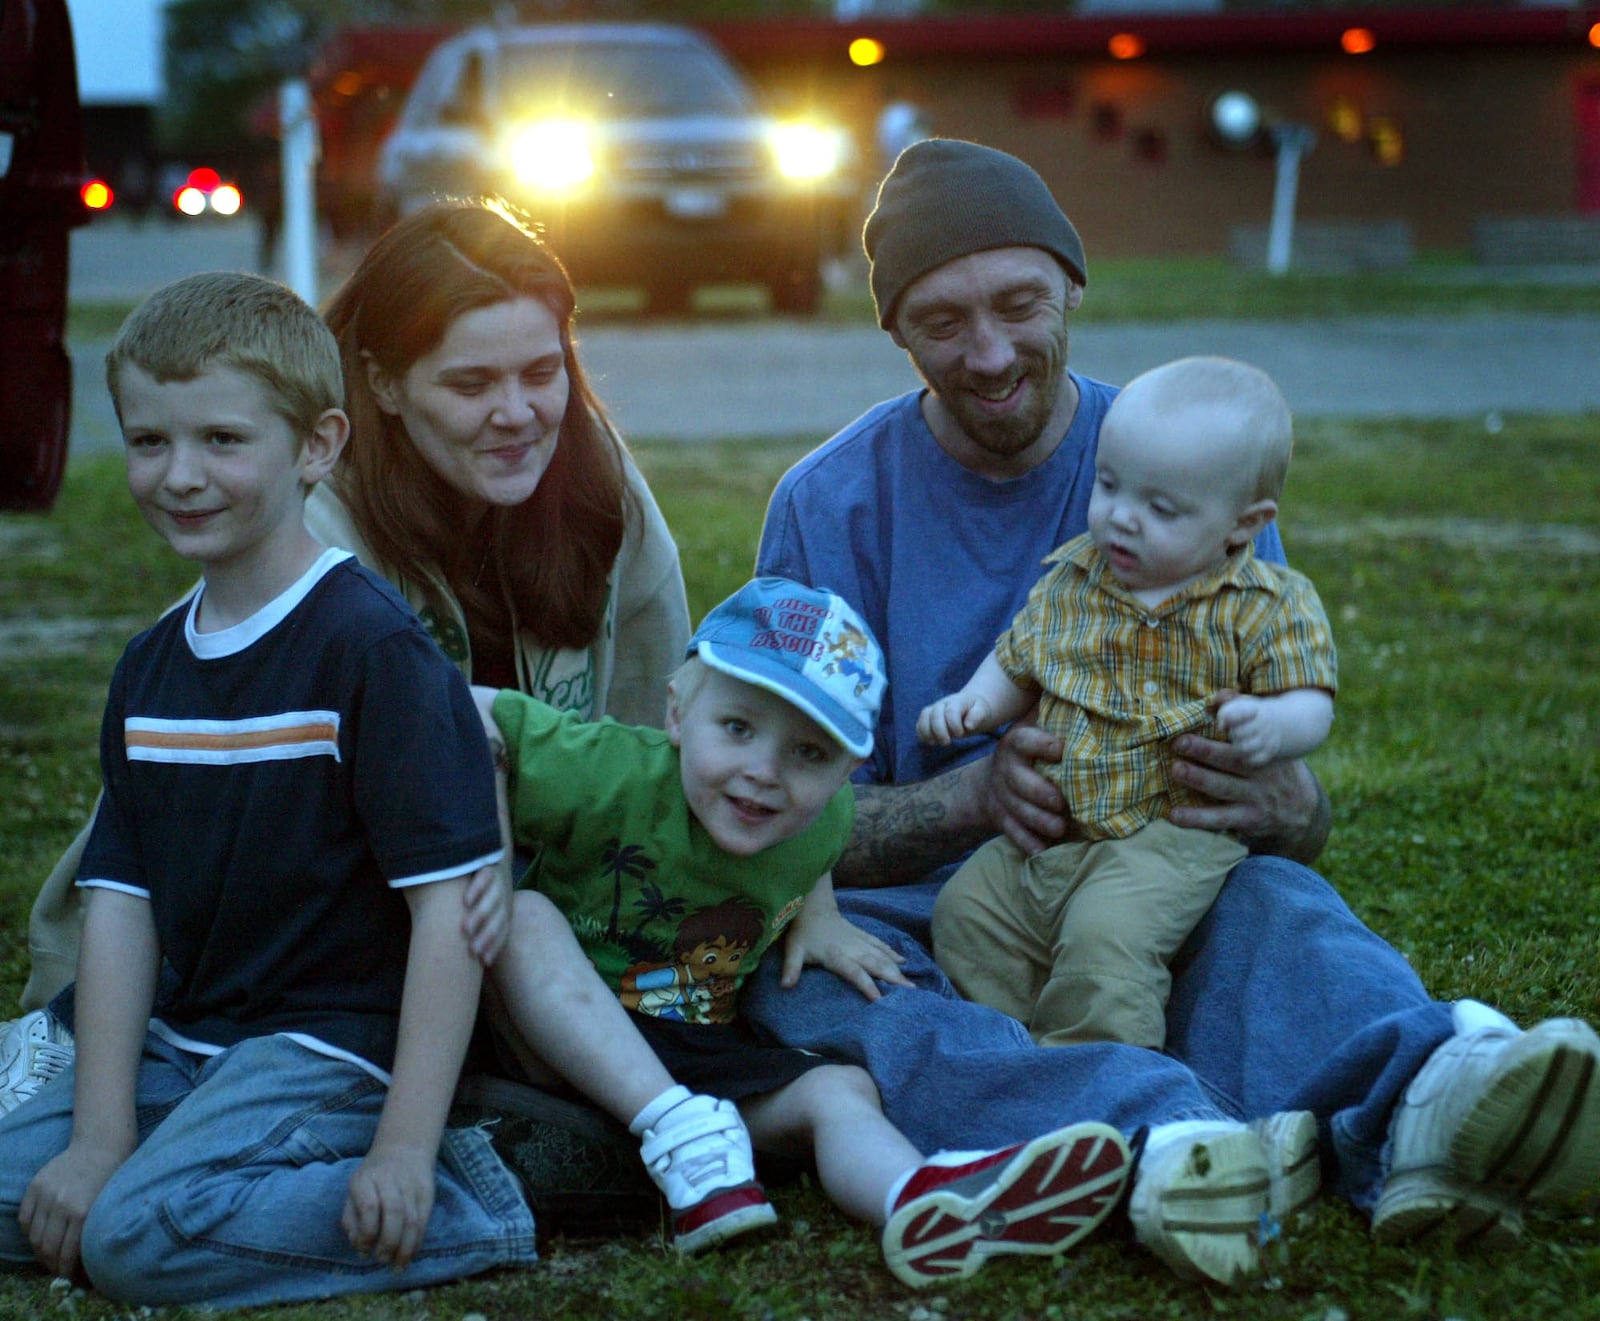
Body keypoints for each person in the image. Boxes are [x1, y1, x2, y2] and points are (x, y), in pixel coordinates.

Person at [743, 136, 1600, 1286]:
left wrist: (1285, 800)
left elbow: (1287, 804)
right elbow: (775, 819)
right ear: (895, 332)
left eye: (1018, 304)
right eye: (943, 322)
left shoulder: (1185, 460)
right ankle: (1173, 1141)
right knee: (833, 1002)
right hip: (913, 924)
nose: (990, 353)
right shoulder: (828, 506)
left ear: (1073, 289)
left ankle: (1430, 1100)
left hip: (1150, 861)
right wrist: (967, 798)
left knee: (1274, 907)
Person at [4, 199, 692, 1109]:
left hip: (543, 918)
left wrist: (788, 894)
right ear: (384, 384)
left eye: (543, 369)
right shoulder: (306, 524)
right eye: (471, 383)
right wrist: (78, 1000)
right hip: (344, 941)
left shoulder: (595, 479)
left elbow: (668, 729)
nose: (517, 412)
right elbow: (173, 782)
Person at [0, 272, 537, 1307]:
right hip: (185, 1043)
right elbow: (121, 903)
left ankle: (484, 1187)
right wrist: (98, 1136)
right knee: (55, 1189)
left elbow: (451, 916)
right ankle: (189, 1174)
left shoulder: (369, 651)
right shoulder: (151, 665)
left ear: (318, 446)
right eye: (150, 442)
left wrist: (405, 1147)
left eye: (222, 441)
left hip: (327, 1051)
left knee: (132, 1240)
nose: (181, 475)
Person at [476, 576, 1134, 1287]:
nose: (764, 773)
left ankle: (920, 1201)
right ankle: (674, 1127)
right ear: (676, 712)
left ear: (847, 771)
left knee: (840, 1089)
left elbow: (816, 837)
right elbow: (479, 715)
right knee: (527, 917)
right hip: (552, 1035)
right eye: (737, 728)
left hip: (695, 1057)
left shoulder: (823, 817)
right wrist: (484, 850)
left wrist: (820, 915)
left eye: (809, 754)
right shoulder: (611, 770)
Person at [917, 355, 1337, 1050]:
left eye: (1161, 508)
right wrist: (974, 703)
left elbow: (1311, 701)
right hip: (1052, 835)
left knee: (1106, 938)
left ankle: (1107, 1069)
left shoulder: (1265, 604)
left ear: (1245, 522)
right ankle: (1031, 1043)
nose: (1122, 519)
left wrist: (1274, 724)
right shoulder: (1074, 579)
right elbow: (1017, 660)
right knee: (965, 913)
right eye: (1109, 487)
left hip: (1166, 833)